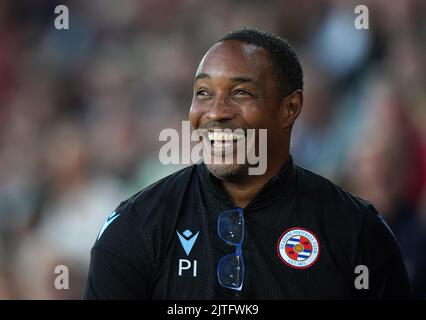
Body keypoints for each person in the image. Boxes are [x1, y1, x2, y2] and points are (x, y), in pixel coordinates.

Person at [83, 28, 412, 299]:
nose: (215, 112)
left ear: (290, 108)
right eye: (203, 93)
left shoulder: (356, 231)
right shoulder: (135, 228)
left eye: (240, 93)